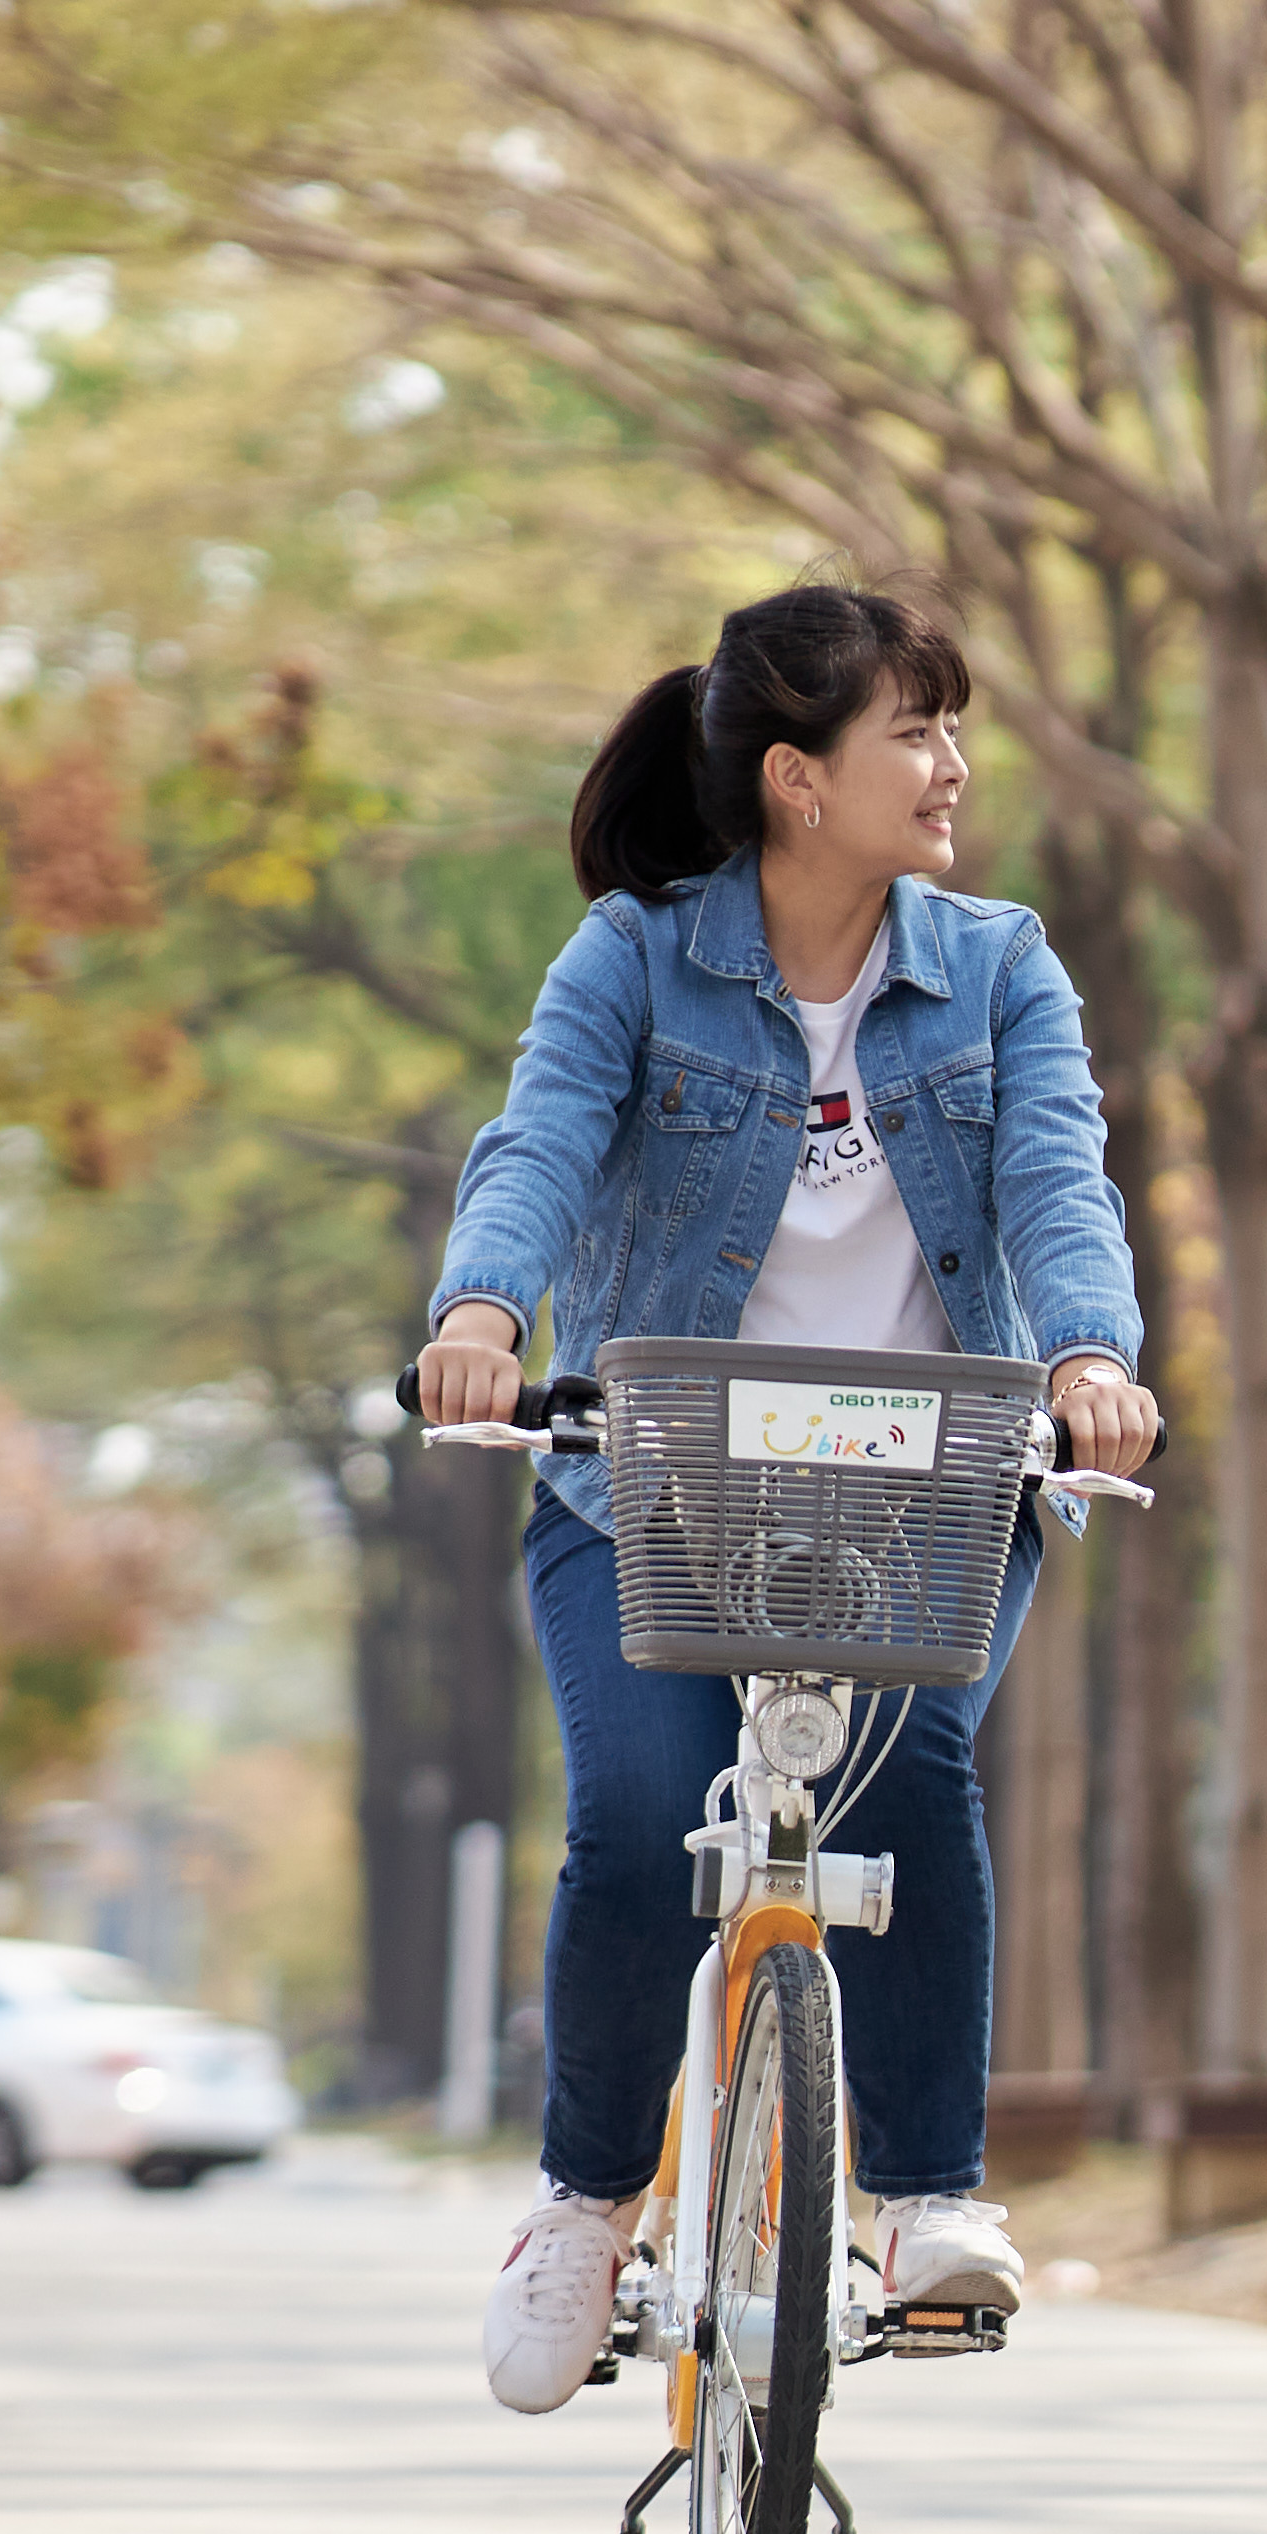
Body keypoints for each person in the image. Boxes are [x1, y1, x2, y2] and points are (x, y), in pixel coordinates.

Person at [415, 583, 1164, 2411]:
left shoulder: (998, 966)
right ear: (794, 780)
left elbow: (1063, 1175)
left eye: (950, 724)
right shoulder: (637, 956)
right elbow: (541, 1138)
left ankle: (918, 2202)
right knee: (646, 1814)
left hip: (923, 1489)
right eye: (911, 729)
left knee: (906, 1781)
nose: (951, 763)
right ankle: (587, 2209)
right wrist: (484, 1311)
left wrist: (1085, 1359)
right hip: (652, 1483)